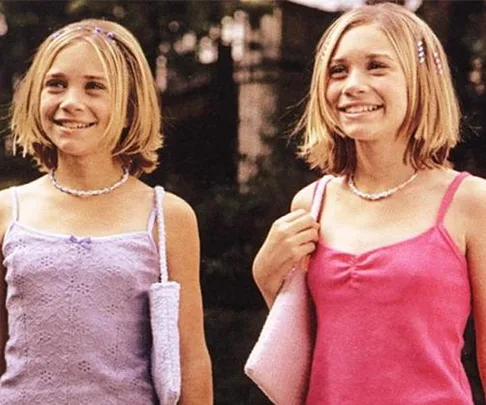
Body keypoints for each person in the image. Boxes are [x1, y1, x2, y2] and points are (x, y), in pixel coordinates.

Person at [252, 3, 486, 404]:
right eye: (338, 71)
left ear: (420, 81)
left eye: (376, 66)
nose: (351, 85)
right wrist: (265, 277)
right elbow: (305, 349)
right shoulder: (310, 205)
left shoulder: (471, 201)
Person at [0, 19, 212, 404]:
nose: (71, 102)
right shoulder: (6, 211)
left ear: (130, 106)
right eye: (56, 84)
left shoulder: (167, 216)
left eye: (94, 87)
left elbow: (191, 358)